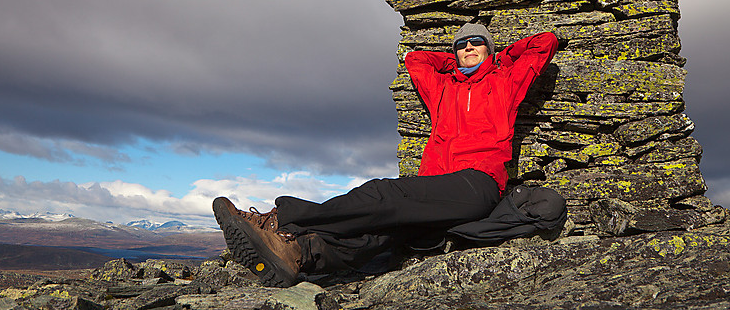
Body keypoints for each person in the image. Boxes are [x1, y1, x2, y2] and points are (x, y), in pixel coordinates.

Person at [212, 23, 558, 287]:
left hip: (475, 183)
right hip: (436, 187)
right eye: (461, 45)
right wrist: (453, 61)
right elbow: (416, 60)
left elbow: (546, 42)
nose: (468, 47)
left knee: (383, 192)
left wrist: (499, 56)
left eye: (476, 43)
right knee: (379, 235)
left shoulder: (504, 83)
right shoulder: (444, 88)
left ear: (489, 50)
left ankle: (282, 221)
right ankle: (299, 255)